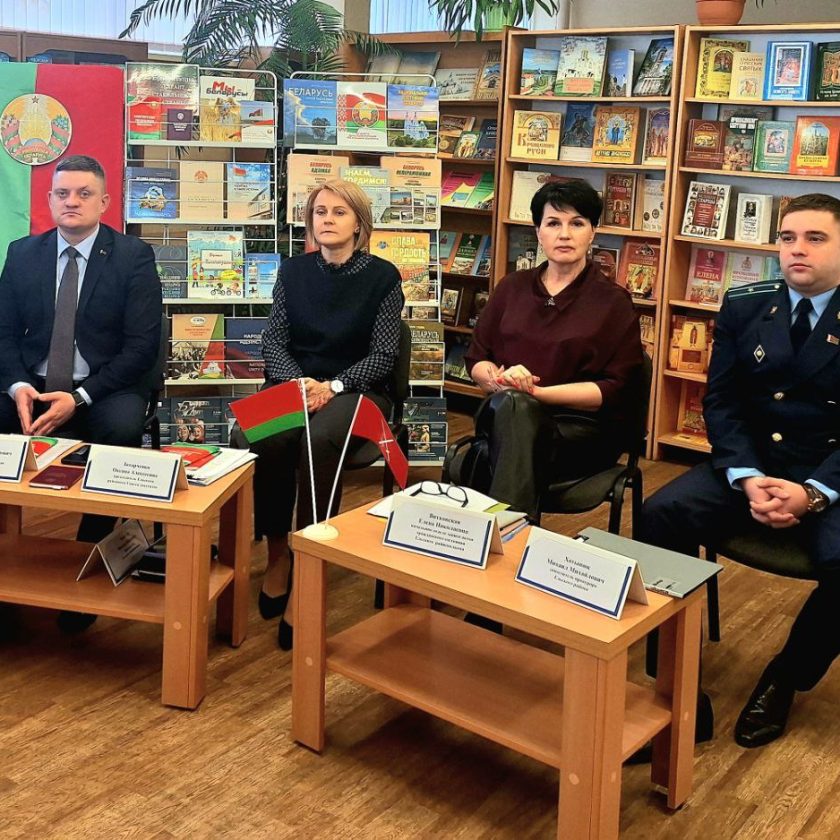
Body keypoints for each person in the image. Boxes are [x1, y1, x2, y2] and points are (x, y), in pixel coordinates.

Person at [641, 193, 840, 749]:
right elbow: (722, 401)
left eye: (815, 238)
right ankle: (674, 683)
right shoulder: (746, 304)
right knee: (660, 514)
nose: (797, 250)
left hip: (828, 472)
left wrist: (813, 494)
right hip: (753, 464)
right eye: (787, 238)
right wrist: (747, 477)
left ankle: (786, 677)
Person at [0, 154, 162, 631]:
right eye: (62, 193)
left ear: (104, 201)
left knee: (121, 428)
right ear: (50, 200)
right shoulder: (22, 253)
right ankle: (5, 567)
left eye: (84, 193)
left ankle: (87, 560)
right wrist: (18, 384)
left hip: (103, 388)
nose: (72, 201)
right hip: (32, 385)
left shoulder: (133, 256)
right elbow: (2, 332)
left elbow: (142, 346)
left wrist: (81, 396)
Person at [240, 179, 403, 650]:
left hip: (359, 391)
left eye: (339, 212)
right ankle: (279, 553)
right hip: (296, 384)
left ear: (359, 223)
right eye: (319, 212)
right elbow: (274, 341)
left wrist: (332, 386)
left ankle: (310, 563)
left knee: (319, 440)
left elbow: (384, 354)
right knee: (262, 436)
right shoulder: (293, 272)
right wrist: (300, 384)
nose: (327, 220)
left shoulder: (383, 277)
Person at [464, 180, 644, 518]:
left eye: (577, 223)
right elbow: (477, 359)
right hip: (504, 414)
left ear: (592, 232)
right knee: (514, 409)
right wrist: (501, 381)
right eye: (553, 223)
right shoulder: (511, 288)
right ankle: (513, 529)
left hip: (578, 431)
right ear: (538, 232)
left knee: (511, 419)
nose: (564, 234)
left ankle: (502, 529)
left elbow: (615, 389)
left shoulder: (613, 302)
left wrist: (536, 393)